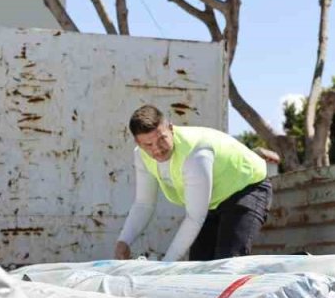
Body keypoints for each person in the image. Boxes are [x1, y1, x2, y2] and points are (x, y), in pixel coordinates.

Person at [114, 105, 272, 262]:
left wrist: (166, 266)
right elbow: (144, 204)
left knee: (227, 263)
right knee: (199, 265)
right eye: (148, 145)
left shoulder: (195, 154)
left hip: (247, 188)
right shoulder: (141, 156)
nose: (157, 149)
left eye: (162, 139)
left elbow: (195, 218)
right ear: (138, 143)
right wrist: (124, 241)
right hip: (214, 201)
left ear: (170, 128)